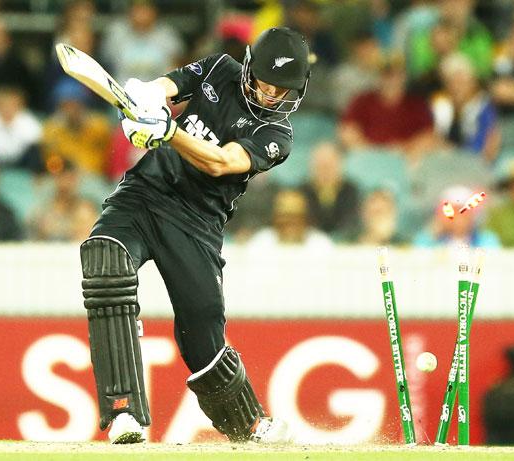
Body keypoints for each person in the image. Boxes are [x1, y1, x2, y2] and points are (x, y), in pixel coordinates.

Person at [79, 27, 310, 444]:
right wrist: (145, 99)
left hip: (197, 223)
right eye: (266, 82)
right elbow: (170, 84)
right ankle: (123, 413)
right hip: (145, 194)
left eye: (283, 89)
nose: (273, 95)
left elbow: (221, 163)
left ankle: (251, 427)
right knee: (104, 258)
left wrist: (168, 132)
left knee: (203, 340)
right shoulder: (221, 68)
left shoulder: (277, 135)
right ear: (249, 67)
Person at [247, 189, 335, 251]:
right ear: (275, 218)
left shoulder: (321, 245)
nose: (290, 222)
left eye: (296, 216)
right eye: (284, 216)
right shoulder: (260, 243)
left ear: (306, 219)